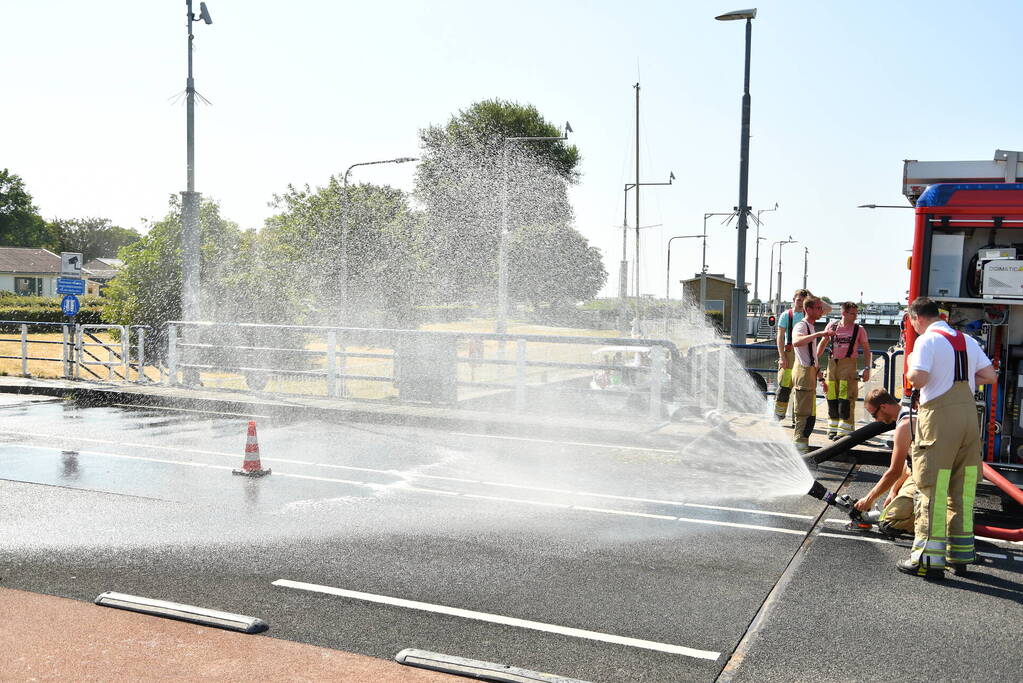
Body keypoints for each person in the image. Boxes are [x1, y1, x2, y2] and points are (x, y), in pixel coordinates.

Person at [901, 297, 998, 579]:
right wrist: (965, 379)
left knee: (932, 488)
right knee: (963, 489)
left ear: (916, 318)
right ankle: (961, 556)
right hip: (968, 419)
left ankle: (927, 561)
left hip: (939, 421)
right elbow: (990, 376)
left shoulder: (927, 341)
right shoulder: (966, 340)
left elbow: (917, 379)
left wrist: (909, 366)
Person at [854, 389, 914, 536]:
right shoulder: (907, 414)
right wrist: (894, 490)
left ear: (884, 407)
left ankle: (937, 520)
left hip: (929, 478)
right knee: (894, 503)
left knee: (888, 523)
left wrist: (869, 499)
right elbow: (909, 464)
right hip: (920, 473)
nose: (875, 420)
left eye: (874, 415)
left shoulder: (905, 425)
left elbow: (894, 471)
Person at [817, 302, 872, 439]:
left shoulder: (859, 329)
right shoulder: (832, 326)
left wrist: (867, 368)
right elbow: (823, 344)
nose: (855, 316)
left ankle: (845, 431)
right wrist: (814, 361)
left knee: (846, 398)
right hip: (832, 366)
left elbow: (866, 349)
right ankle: (833, 428)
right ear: (844, 313)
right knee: (831, 397)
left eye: (856, 313)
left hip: (848, 366)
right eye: (852, 313)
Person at [790, 296, 835, 453]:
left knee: (808, 415)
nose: (821, 311)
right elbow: (796, 341)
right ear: (808, 309)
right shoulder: (801, 326)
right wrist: (819, 335)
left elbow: (813, 357)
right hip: (802, 375)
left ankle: (802, 448)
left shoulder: (810, 326)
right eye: (817, 308)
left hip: (809, 375)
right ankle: (799, 451)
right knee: (803, 415)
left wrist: (821, 379)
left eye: (820, 308)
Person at [774, 289, 811, 421]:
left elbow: (826, 308)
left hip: (803, 358)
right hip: (789, 356)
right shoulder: (786, 315)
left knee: (800, 390)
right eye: (799, 300)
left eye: (804, 300)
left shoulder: (809, 315)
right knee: (784, 387)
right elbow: (780, 337)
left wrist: (810, 295)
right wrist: (782, 357)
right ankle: (778, 416)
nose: (801, 303)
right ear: (793, 300)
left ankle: (798, 420)